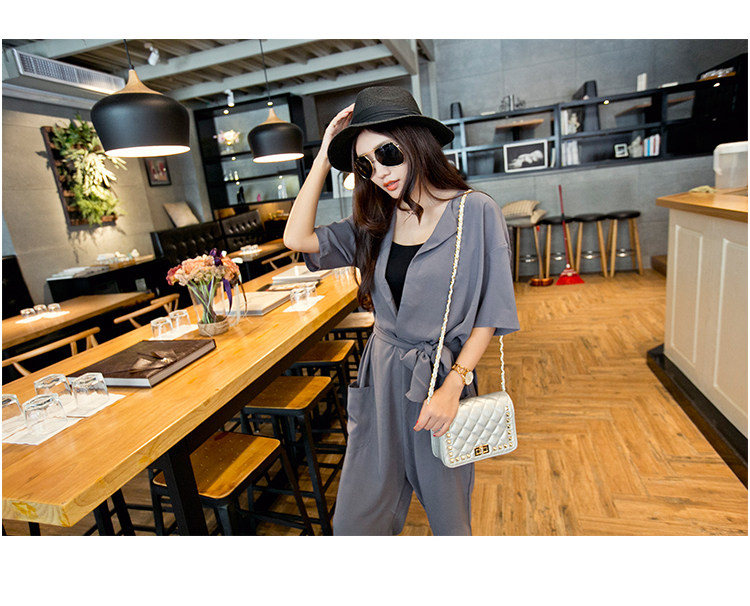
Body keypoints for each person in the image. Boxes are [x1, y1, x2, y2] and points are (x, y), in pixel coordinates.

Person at [283, 86, 519, 536]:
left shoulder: (475, 212)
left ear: (416, 142)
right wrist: (323, 157)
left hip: (440, 381)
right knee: (355, 522)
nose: (379, 172)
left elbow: (490, 312)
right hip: (380, 375)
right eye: (365, 165)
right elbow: (297, 239)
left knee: (449, 520)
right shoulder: (376, 220)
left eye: (387, 154)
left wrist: (454, 385)